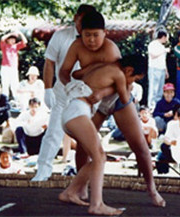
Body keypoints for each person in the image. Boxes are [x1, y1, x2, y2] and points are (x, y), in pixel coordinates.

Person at [60, 11, 165, 207]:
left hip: (118, 95)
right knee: (84, 145)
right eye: (87, 35)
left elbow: (123, 80)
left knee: (140, 144)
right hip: (91, 99)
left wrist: (101, 92)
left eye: (96, 35)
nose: (91, 40)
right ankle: (80, 188)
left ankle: (151, 188)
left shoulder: (111, 50)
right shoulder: (76, 46)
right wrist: (71, 87)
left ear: (104, 33)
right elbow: (67, 72)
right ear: (80, 33)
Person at [59, 55, 145, 216]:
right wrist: (118, 87)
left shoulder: (100, 65)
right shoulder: (119, 74)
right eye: (134, 79)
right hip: (78, 112)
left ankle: (70, 192)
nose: (132, 83)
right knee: (99, 157)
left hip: (73, 111)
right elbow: (125, 99)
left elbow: (76, 74)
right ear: (129, 70)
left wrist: (101, 86)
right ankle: (96, 204)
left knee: (99, 157)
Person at [32, 4, 97, 182]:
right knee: (53, 132)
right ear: (76, 17)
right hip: (62, 92)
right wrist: (47, 88)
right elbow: (49, 63)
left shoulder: (96, 39)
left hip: (87, 94)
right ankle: (43, 171)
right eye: (83, 19)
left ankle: (85, 175)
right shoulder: (61, 36)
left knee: (88, 137)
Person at [0, 30, 27, 99]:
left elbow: (25, 42)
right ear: (8, 39)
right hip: (5, 67)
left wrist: (20, 33)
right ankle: (4, 100)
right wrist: (11, 34)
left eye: (14, 39)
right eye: (11, 39)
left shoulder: (16, 46)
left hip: (13, 68)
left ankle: (17, 100)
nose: (13, 40)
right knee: (5, 85)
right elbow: (2, 39)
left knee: (15, 85)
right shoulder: (4, 46)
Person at [147, 30, 170, 110]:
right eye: (166, 37)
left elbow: (163, 60)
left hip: (162, 69)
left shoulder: (162, 46)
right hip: (154, 69)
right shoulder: (153, 44)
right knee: (153, 89)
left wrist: (166, 71)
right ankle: (151, 107)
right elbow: (153, 55)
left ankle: (158, 107)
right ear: (163, 37)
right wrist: (164, 50)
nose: (167, 40)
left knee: (160, 90)